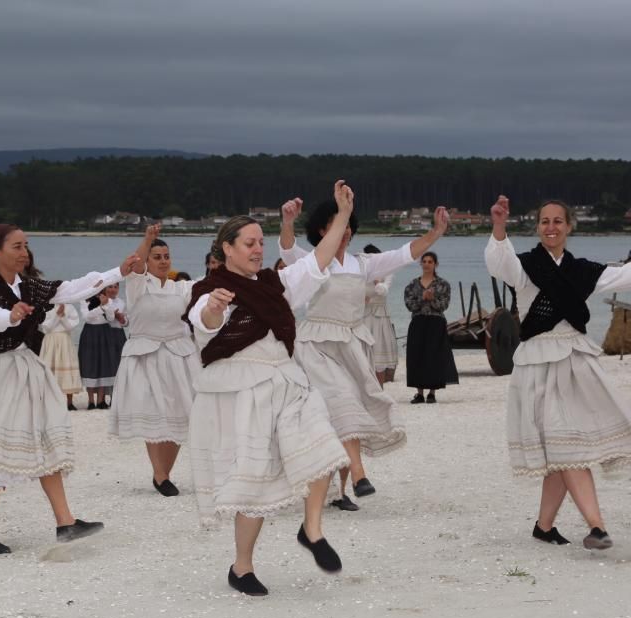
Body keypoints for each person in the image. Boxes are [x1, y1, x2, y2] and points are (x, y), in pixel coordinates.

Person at [485, 196, 631, 549]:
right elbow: (498, 263)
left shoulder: (583, 271)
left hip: (577, 363)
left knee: (566, 448)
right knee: (568, 446)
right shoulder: (524, 265)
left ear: (569, 226)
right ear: (537, 227)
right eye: (545, 221)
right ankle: (597, 527)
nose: (551, 227)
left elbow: (627, 275)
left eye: (558, 221)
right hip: (537, 366)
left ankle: (544, 528)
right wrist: (499, 226)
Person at [184, 182, 358, 597]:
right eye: (249, 243)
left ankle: (312, 530)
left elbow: (317, 259)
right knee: (255, 484)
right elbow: (202, 324)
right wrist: (212, 311)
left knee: (324, 446)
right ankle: (241, 567)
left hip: (288, 381)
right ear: (227, 248)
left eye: (261, 242)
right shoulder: (207, 290)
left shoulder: (274, 282)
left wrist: (344, 216)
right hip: (244, 392)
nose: (258, 249)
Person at [0, 224, 139, 555]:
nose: (24, 252)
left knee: (45, 437)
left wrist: (116, 272)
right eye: (17, 246)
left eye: (26, 246)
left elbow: (73, 288)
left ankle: (65, 522)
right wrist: (11, 314)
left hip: (26, 369)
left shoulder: (31, 287)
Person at [279, 199, 449, 509]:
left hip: (352, 344)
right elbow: (288, 251)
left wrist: (435, 233)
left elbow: (403, 255)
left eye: (346, 226)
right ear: (322, 230)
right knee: (340, 401)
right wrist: (287, 222)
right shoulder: (313, 261)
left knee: (349, 414)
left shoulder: (363, 264)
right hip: (317, 345)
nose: (343, 232)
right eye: (336, 225)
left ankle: (340, 491)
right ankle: (359, 474)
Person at [109, 226, 199, 497]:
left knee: (179, 415)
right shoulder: (138, 284)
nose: (162, 261)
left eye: (166, 256)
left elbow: (207, 288)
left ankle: (164, 474)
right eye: (157, 256)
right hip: (144, 356)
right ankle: (160, 475)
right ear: (148, 260)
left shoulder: (181, 287)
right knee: (154, 413)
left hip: (178, 356)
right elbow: (134, 266)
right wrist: (147, 240)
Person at [404, 251, 458, 404]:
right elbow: (409, 305)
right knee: (417, 356)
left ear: (435, 264)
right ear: (421, 264)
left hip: (436, 323)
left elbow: (444, 305)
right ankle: (419, 393)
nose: (427, 264)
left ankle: (432, 393)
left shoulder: (443, 284)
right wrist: (422, 298)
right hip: (418, 322)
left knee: (434, 356)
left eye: (430, 262)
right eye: (424, 261)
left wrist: (432, 299)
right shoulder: (412, 285)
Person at [79, 285, 127, 410]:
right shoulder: (85, 299)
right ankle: (90, 401)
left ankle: (100, 400)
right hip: (90, 332)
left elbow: (110, 318)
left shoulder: (108, 300)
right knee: (90, 364)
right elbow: (86, 317)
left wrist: (106, 306)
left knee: (103, 364)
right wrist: (101, 307)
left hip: (105, 332)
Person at [361, 244, 398, 387]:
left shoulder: (388, 272)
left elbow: (383, 291)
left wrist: (376, 280)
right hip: (362, 316)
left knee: (379, 359)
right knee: (362, 357)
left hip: (379, 317)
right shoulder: (362, 272)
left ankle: (380, 390)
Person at [39, 302, 83, 410]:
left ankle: (69, 402)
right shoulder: (46, 306)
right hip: (50, 340)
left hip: (64, 340)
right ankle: (50, 401)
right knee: (50, 370)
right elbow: (47, 327)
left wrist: (63, 316)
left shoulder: (70, 306)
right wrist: (57, 315)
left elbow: (70, 327)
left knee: (67, 368)